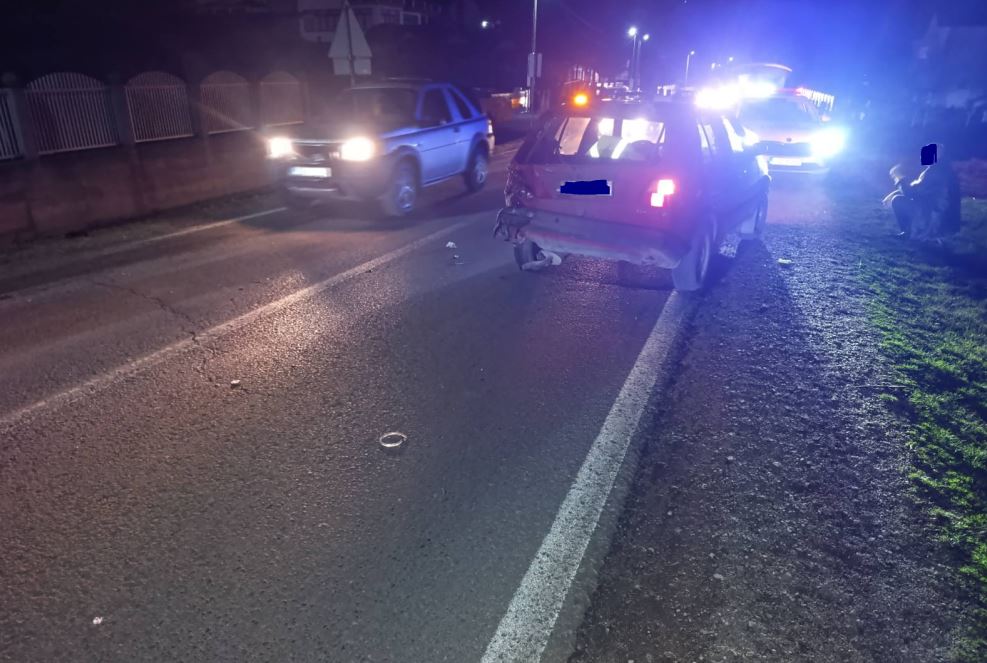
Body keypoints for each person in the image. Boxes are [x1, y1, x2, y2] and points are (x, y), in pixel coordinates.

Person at [883, 143, 961, 241]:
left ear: (936, 155)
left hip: (935, 218)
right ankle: (913, 231)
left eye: (925, 153)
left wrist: (898, 177)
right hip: (945, 218)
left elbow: (911, 193)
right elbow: (917, 189)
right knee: (898, 196)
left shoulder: (933, 173)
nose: (921, 157)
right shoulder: (943, 170)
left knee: (898, 200)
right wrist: (894, 192)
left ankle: (910, 232)